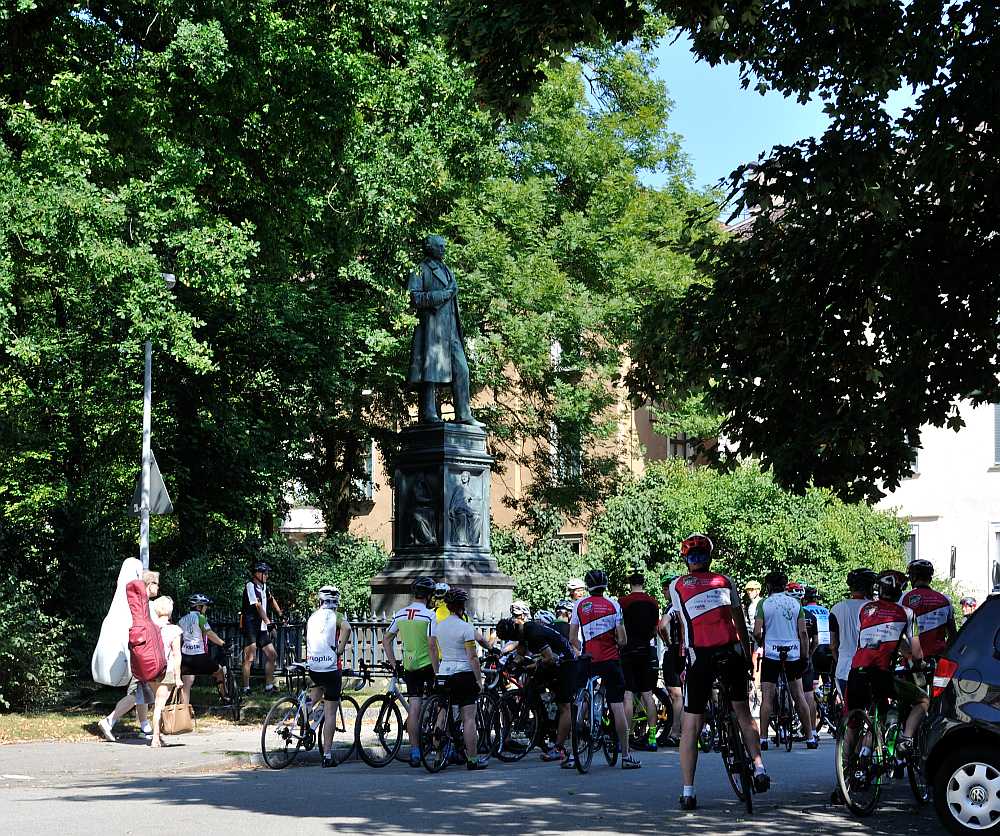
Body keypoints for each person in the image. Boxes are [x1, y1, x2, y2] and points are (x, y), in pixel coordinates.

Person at [669, 534, 768, 811]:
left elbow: (667, 625)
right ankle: (759, 767)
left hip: (699, 655)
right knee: (743, 713)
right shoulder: (725, 581)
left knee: (691, 725)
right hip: (731, 650)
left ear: (686, 559)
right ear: (709, 558)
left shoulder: (677, 585)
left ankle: (688, 791)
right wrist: (747, 656)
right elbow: (739, 621)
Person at [844, 571, 927, 756]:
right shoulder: (906, 613)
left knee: (853, 724)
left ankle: (846, 773)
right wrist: (919, 663)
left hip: (856, 672)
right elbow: (917, 653)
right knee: (922, 699)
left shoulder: (865, 610)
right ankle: (905, 740)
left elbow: (878, 638)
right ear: (899, 592)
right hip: (881, 674)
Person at [568, 568, 639, 770]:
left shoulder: (579, 605)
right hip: (610, 659)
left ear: (588, 586)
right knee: (616, 704)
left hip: (588, 658)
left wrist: (581, 649)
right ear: (605, 585)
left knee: (580, 700)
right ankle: (625, 756)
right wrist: (615, 642)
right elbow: (623, 639)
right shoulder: (613, 605)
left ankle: (576, 751)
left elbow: (573, 638)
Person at [495, 616, 575, 763]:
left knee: (564, 706)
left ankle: (559, 748)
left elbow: (549, 658)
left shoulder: (533, 633)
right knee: (529, 688)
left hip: (565, 662)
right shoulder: (522, 631)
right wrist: (507, 664)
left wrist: (532, 665)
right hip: (552, 662)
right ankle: (541, 723)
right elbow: (520, 654)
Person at [753, 574, 817, 750]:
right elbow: (803, 633)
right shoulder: (795, 604)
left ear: (768, 587)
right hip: (793, 654)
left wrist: (762, 642)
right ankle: (810, 737)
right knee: (798, 695)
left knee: (767, 698)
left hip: (772, 653)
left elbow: (757, 631)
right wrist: (804, 656)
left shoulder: (763, 604)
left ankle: (764, 738)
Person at [427, 588, 489, 770]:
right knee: (469, 718)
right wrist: (479, 680)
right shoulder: (466, 627)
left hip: (444, 672)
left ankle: (438, 756)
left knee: (442, 713)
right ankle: (472, 759)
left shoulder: (439, 625)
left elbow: (432, 647)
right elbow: (473, 657)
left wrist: (437, 671)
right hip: (463, 673)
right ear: (462, 606)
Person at [96, 570, 159, 742]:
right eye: (156, 584)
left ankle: (145, 726)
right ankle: (109, 720)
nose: (158, 588)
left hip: (139, 652)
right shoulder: (145, 605)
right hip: (143, 655)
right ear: (149, 584)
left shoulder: (136, 603)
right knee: (135, 693)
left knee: (143, 692)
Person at [382, 576, 437, 767]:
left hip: (410, 666)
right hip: (428, 666)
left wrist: (394, 663)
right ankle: (439, 747)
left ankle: (415, 751)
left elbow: (386, 639)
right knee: (440, 704)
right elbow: (432, 644)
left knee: (414, 708)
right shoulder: (430, 615)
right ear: (429, 596)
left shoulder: (401, 614)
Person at [306, 585, 353, 767]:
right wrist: (339, 651)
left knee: (315, 696)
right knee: (331, 711)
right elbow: (347, 629)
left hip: (314, 665)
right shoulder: (336, 616)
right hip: (331, 668)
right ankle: (327, 755)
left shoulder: (313, 617)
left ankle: (304, 724)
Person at [619, 569, 660, 752]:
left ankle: (626, 737)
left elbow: (619, 626)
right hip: (646, 649)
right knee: (647, 694)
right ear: (643, 583)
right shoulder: (653, 602)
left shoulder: (624, 602)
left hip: (628, 650)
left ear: (630, 584)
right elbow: (655, 628)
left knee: (628, 694)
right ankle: (652, 737)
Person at [830, 568, 877, 698]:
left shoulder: (836, 608)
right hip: (869, 668)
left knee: (848, 710)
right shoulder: (875, 608)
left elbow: (833, 645)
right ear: (870, 586)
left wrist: (840, 660)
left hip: (843, 668)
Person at [901, 559, 956, 662]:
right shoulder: (945, 600)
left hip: (913, 662)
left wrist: (909, 656)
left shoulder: (904, 599)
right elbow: (953, 636)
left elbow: (896, 634)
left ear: (913, 577)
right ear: (930, 578)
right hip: (938, 660)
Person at [179, 594, 227, 705]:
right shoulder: (200, 618)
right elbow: (209, 633)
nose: (207, 608)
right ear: (198, 607)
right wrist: (222, 643)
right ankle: (225, 698)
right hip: (199, 656)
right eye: (205, 606)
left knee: (186, 684)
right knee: (219, 671)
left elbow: (180, 638)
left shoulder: (182, 620)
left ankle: (184, 712)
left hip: (185, 656)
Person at [241, 562, 282, 694]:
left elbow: (271, 599)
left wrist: (280, 614)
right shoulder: (250, 586)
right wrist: (269, 623)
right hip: (251, 626)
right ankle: (246, 688)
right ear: (258, 573)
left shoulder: (264, 587)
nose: (267, 576)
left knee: (272, 655)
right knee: (249, 657)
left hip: (262, 627)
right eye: (265, 573)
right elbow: (258, 606)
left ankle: (269, 686)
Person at [149, 595, 182, 749]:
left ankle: (158, 735)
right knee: (159, 705)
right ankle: (155, 738)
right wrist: (178, 677)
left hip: (151, 670)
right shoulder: (174, 630)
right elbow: (176, 655)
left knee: (157, 704)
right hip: (166, 671)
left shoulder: (150, 628)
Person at [656, 573, 683, 746]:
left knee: (676, 695)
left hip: (674, 652)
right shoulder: (686, 604)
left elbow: (662, 626)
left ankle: (675, 732)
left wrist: (667, 641)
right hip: (688, 651)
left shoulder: (672, 607)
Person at [802, 585, 832, 730]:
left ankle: (817, 699)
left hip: (816, 645)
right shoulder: (825, 610)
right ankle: (828, 703)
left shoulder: (805, 611)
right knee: (827, 679)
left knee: (812, 681)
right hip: (829, 646)